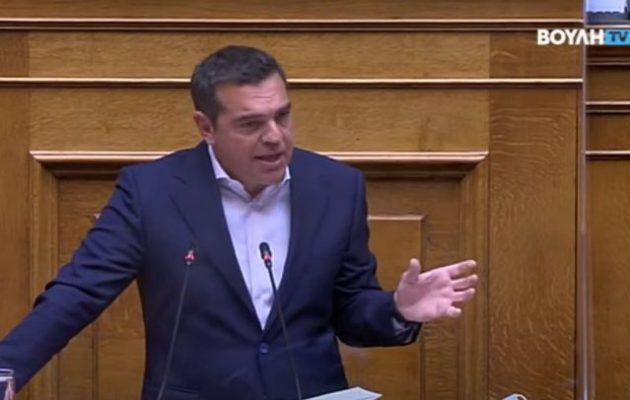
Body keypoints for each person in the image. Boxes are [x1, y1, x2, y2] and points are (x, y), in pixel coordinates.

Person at [0, 45, 478, 400]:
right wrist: (6, 370)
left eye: (282, 117)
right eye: (251, 124)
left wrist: (399, 308)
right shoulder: (152, 192)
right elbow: (78, 293)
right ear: (206, 127)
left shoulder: (336, 187)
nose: (275, 137)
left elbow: (351, 310)